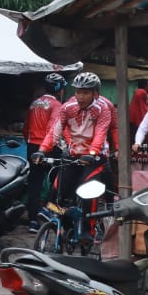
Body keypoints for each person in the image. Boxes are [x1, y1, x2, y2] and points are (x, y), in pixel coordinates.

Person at [39, 71, 117, 199]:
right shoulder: (67, 108)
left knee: (88, 194)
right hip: (73, 155)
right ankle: (61, 215)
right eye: (78, 92)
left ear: (95, 93)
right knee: (56, 194)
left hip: (96, 157)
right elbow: (55, 131)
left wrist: (92, 153)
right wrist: (42, 150)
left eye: (85, 93)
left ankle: (91, 218)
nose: (80, 97)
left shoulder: (103, 108)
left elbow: (101, 133)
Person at [25, 72, 68, 227]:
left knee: (35, 183)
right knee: (58, 182)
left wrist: (31, 145)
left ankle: (32, 221)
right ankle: (51, 211)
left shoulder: (34, 103)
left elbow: (26, 127)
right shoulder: (57, 106)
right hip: (48, 147)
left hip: (32, 147)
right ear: (59, 90)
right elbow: (53, 129)